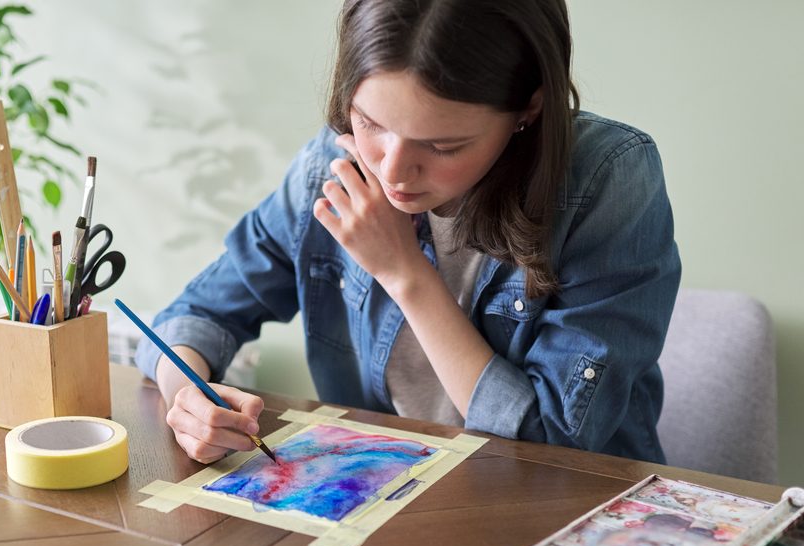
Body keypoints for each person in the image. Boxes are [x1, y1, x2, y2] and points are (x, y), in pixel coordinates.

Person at [135, 0, 681, 465]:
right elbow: (199, 313)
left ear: (529, 108)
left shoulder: (607, 181)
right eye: (371, 123)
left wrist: (403, 272)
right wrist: (189, 398)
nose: (393, 170)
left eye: (442, 147)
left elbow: (553, 443)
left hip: (564, 516)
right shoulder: (331, 167)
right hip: (388, 494)